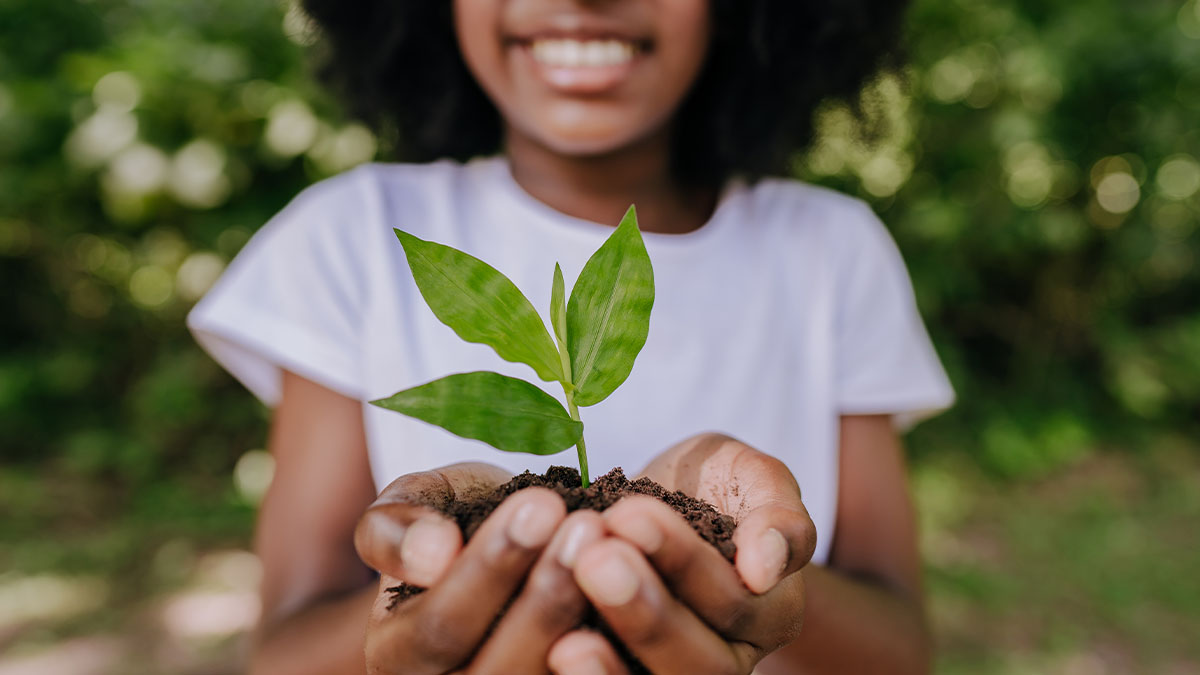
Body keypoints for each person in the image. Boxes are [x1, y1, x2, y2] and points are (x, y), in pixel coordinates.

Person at [188, 1, 954, 673]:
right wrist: (454, 585)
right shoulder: (349, 239)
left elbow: (898, 649)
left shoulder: (829, 248)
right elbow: (283, 653)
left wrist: (745, 573)